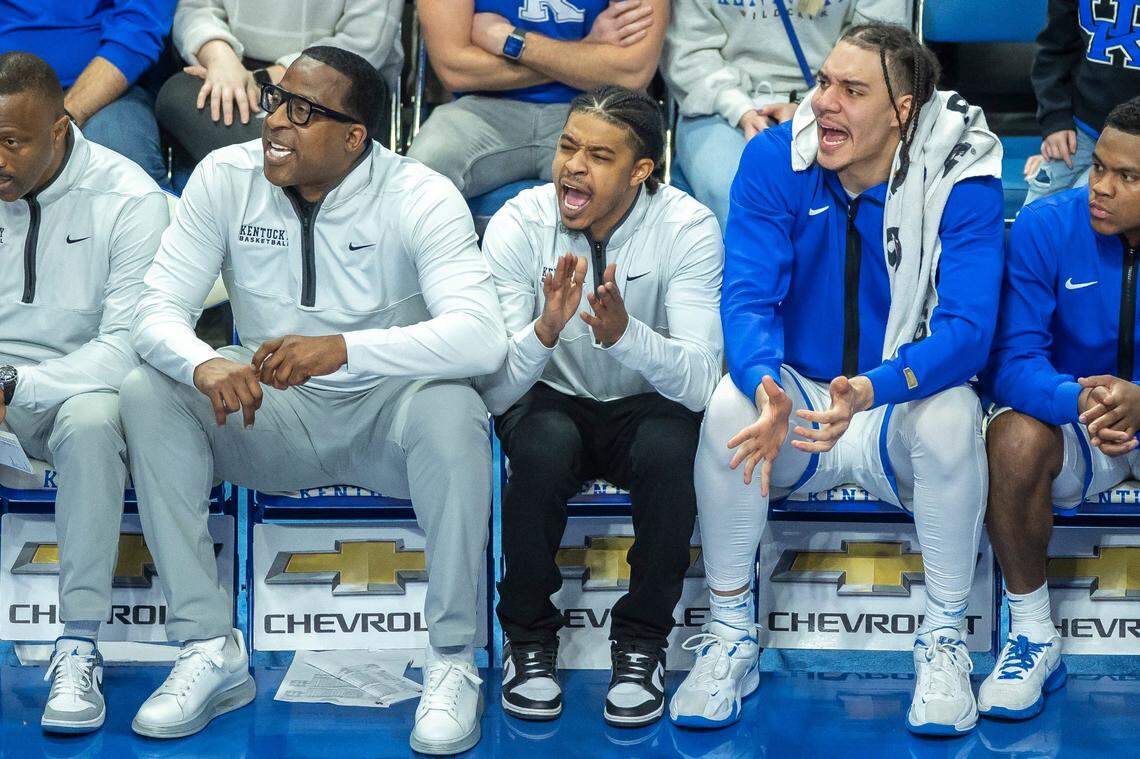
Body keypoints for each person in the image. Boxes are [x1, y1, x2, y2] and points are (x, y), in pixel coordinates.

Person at [119, 46, 506, 754]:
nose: (275, 123)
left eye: (303, 111)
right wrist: (203, 362)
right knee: (151, 389)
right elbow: (151, 315)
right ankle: (210, 647)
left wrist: (347, 348)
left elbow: (482, 339)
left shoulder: (420, 194)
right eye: (275, 102)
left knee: (454, 409)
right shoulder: (224, 178)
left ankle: (452, 660)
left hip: (390, 416)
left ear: (355, 136)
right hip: (274, 413)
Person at [669, 24, 1005, 736]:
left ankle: (943, 639)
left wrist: (875, 388)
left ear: (903, 110)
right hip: (799, 402)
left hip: (893, 401)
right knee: (729, 404)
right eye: (823, 82)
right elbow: (749, 298)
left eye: (852, 91)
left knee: (951, 412)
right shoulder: (772, 158)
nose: (825, 104)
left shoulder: (961, 170)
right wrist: (767, 386)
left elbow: (969, 333)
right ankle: (730, 633)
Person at [478, 85, 723, 728]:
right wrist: (545, 331)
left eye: (599, 155)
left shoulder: (688, 227)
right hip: (550, 395)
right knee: (539, 445)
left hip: (649, 403)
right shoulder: (518, 222)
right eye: (567, 147)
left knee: (675, 449)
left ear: (641, 170)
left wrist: (627, 338)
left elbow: (701, 383)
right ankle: (528, 642)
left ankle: (641, 646)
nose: (574, 166)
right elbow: (495, 390)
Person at [0, 52, 168, 734]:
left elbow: (127, 347)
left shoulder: (130, 198)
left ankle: (76, 642)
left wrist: (16, 385)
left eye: (13, 141)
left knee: (99, 419)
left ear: (62, 130)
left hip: (70, 391)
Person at [981, 97, 1140, 721]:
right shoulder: (1047, 225)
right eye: (1099, 166)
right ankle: (1031, 632)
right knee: (1013, 437)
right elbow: (1011, 363)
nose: (1100, 186)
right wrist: (1079, 397)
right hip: (1079, 422)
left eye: (1126, 177)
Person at [663, 0, 910, 230]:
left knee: (841, 201)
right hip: (720, 101)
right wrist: (739, 109)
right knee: (734, 194)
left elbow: (879, 50)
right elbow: (690, 54)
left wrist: (811, 103)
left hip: (834, 95)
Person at [410, 0, 666, 198]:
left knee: (617, 180)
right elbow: (456, 69)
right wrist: (586, 50)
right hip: (480, 108)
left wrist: (511, 40)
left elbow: (632, 72)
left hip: (597, 109)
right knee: (420, 175)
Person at [158, 0, 404, 164]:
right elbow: (196, 8)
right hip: (234, 66)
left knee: (336, 119)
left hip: (336, 79)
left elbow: (364, 42)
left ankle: (284, 176)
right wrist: (220, 57)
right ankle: (290, 173)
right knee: (178, 95)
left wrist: (262, 80)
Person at [0, 0, 174, 183]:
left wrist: (66, 114)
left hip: (107, 90)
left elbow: (139, 28)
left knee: (118, 151)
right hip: (5, 84)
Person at [1022, 0, 1140, 205]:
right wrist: (1055, 119)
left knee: (1091, 204)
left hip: (1135, 137)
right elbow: (1055, 49)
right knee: (1037, 212)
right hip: (1084, 128)